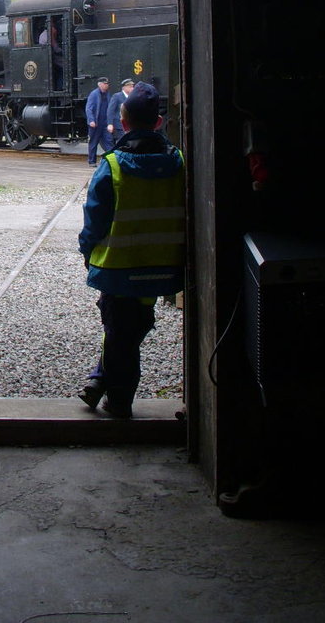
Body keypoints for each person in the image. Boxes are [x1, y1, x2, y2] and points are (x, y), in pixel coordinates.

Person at [77, 82, 185, 417]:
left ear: (123, 122)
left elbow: (94, 220)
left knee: (121, 332)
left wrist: (86, 250)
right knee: (129, 327)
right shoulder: (179, 162)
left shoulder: (113, 166)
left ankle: (119, 401)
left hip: (119, 270)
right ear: (158, 123)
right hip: (163, 268)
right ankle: (99, 379)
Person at [84, 77, 112, 166]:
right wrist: (91, 120)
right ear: (99, 84)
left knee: (108, 141)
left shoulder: (108, 94)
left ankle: (111, 159)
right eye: (104, 84)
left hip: (105, 123)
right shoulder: (94, 94)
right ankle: (92, 161)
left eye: (107, 84)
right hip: (96, 123)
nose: (106, 85)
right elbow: (89, 108)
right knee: (93, 142)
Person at [106, 78, 135, 145]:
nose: (132, 88)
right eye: (130, 87)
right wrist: (110, 124)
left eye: (132, 87)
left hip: (129, 125)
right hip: (119, 125)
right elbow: (110, 110)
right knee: (121, 143)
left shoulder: (132, 97)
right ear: (124, 87)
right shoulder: (117, 96)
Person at [38, 19, 64, 89]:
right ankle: (60, 87)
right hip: (50, 59)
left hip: (52, 58)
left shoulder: (45, 34)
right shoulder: (47, 35)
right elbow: (56, 49)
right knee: (63, 67)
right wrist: (63, 51)